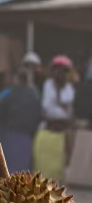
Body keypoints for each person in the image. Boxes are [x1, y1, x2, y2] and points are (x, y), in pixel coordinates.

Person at [33, 54, 75, 182]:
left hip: (61, 135)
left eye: (64, 70)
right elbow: (47, 110)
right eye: (57, 69)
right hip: (47, 132)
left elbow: (68, 112)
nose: (60, 73)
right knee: (42, 172)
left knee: (58, 173)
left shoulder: (69, 89)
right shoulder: (48, 85)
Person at [0, 68, 41, 173]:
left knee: (9, 166)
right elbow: (38, 115)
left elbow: (1, 113)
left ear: (17, 79)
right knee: (24, 168)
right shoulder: (34, 95)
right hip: (26, 136)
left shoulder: (9, 94)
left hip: (10, 134)